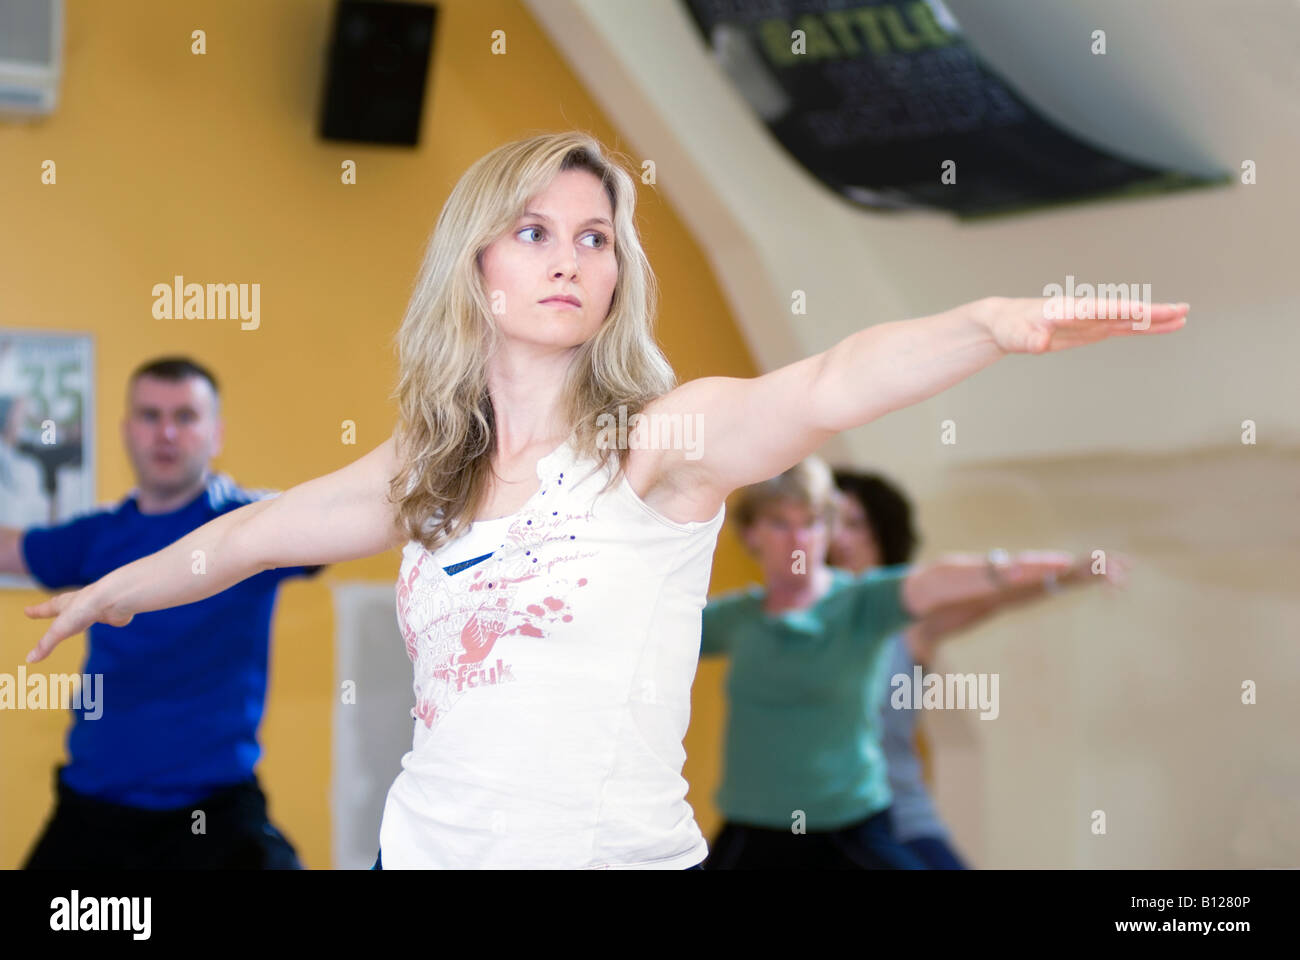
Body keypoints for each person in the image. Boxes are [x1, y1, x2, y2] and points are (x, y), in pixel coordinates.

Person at [22, 131, 1189, 869]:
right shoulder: (424, 470)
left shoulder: (659, 445)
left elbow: (829, 381)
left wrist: (987, 325)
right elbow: (247, 535)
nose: (569, 256)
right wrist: (108, 594)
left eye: (594, 235)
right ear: (475, 265)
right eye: (532, 232)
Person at [697, 457, 1118, 869]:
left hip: (877, 813)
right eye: (780, 524)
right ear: (753, 534)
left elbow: (958, 588)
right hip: (763, 824)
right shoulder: (743, 618)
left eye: (814, 522)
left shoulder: (879, 606)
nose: (801, 538)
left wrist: (1051, 576)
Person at [2, 357, 321, 869]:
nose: (166, 432)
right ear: (128, 431)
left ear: (216, 435)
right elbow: (11, 550)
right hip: (96, 813)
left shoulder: (251, 525)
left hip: (217, 814)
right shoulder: (98, 534)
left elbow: (342, 518)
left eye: (186, 417)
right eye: (150, 416)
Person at [828, 469, 1124, 869]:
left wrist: (1068, 577)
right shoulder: (799, 620)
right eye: (830, 523)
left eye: (855, 524)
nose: (840, 538)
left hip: (902, 820)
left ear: (882, 531)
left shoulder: (910, 622)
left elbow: (992, 598)